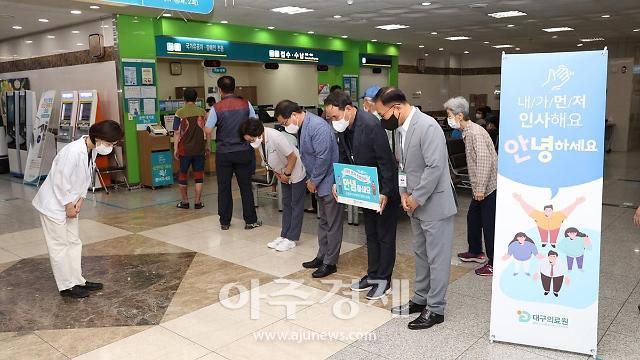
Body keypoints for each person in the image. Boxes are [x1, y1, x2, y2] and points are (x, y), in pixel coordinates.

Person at [374, 87, 457, 330]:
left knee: (437, 258)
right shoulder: (400, 130)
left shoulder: (428, 126)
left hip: (434, 204)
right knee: (420, 254)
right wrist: (403, 194)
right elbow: (402, 165)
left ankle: (436, 308)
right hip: (414, 203)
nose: (382, 120)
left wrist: (416, 197)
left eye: (382, 114)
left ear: (396, 108)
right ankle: (421, 299)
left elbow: (435, 167)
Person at [32, 120, 124, 299]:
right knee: (59, 245)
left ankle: (77, 280)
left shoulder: (92, 149)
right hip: (54, 205)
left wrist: (80, 200)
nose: (110, 147)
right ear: (98, 137)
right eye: (110, 143)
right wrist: (68, 205)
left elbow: (85, 177)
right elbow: (60, 180)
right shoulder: (72, 152)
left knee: (74, 242)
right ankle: (66, 287)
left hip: (71, 203)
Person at [324, 90, 400, 300]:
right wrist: (338, 182)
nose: (333, 122)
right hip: (364, 189)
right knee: (371, 235)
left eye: (335, 117)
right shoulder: (344, 128)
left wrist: (385, 191)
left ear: (348, 109)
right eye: (330, 118)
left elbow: (385, 161)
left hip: (382, 190)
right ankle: (373, 274)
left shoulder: (371, 125)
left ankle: (384, 280)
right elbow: (343, 157)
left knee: (385, 236)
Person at [275, 100, 344, 278]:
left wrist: (313, 181)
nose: (285, 126)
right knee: (323, 221)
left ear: (294, 115)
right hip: (318, 181)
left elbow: (323, 158)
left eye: (285, 122)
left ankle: (331, 262)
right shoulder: (304, 125)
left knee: (333, 223)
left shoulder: (317, 126)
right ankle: (322, 255)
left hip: (329, 181)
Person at [445, 96, 498, 277]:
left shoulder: (475, 133)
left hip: (487, 187)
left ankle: (493, 262)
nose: (448, 118)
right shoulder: (469, 131)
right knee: (473, 218)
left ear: (459, 116)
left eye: (450, 114)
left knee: (488, 224)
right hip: (480, 186)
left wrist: (480, 189)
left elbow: (484, 162)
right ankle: (475, 251)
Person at [239, 118, 306, 252]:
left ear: (258, 133)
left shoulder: (275, 136)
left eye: (251, 140)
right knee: (286, 203)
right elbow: (269, 161)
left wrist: (286, 175)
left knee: (296, 205)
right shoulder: (261, 141)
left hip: (295, 171)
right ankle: (284, 235)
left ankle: (292, 238)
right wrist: (280, 175)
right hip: (283, 173)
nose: (251, 143)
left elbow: (292, 157)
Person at [205, 76, 261, 231]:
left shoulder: (217, 107)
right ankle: (250, 220)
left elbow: (208, 130)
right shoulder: (246, 103)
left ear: (219, 89)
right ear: (234, 88)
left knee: (224, 187)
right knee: (245, 187)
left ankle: (225, 222)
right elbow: (255, 123)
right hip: (243, 151)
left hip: (224, 153)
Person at [173, 88, 209, 210]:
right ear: (196, 98)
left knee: (183, 175)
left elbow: (177, 132)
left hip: (185, 150)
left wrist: (175, 149)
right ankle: (198, 202)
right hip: (199, 149)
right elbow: (207, 131)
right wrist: (207, 146)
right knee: (198, 175)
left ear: (184, 98)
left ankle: (185, 202)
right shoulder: (202, 112)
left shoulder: (179, 112)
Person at [513, 194, 585, 248]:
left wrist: (576, 203)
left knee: (554, 236)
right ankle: (544, 242)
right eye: (546, 210)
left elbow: (567, 210)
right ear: (544, 210)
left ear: (552, 210)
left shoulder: (558, 215)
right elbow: (529, 209)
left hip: (555, 227)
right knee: (543, 236)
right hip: (542, 227)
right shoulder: (539, 215)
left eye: (549, 210)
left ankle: (553, 243)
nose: (548, 211)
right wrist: (520, 200)